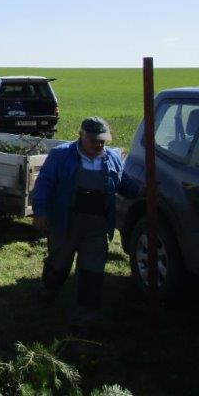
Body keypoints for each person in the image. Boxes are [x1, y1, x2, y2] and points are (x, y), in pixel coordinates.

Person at [32, 116, 132, 335]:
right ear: (81, 136)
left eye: (103, 141)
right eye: (95, 140)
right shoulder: (61, 156)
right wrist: (40, 211)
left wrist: (142, 190)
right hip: (65, 223)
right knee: (58, 264)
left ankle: (83, 320)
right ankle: (47, 292)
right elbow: (44, 184)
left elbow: (124, 183)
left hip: (97, 227)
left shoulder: (112, 158)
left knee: (92, 273)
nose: (99, 145)